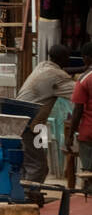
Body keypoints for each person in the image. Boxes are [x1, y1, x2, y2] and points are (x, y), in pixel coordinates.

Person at [16, 44, 75, 188]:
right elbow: (79, 93)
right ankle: (28, 198)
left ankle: (23, 194)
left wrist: (83, 70)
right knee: (38, 165)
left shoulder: (42, 66)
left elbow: (62, 73)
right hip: (30, 124)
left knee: (28, 163)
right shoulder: (58, 76)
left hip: (23, 122)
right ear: (64, 59)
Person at [69, 43, 92, 190]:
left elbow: (78, 110)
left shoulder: (84, 79)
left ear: (86, 58)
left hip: (89, 132)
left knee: (89, 174)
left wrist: (70, 134)